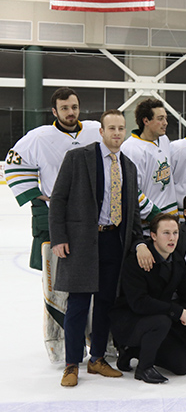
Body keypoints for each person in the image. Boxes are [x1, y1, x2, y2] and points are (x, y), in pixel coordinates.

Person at [49, 109, 152, 387]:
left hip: (114, 242)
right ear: (101, 132)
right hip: (83, 241)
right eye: (112, 128)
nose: (117, 133)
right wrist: (59, 237)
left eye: (121, 128)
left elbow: (132, 213)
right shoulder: (78, 158)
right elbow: (58, 199)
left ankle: (96, 359)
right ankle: (72, 364)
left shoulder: (128, 166)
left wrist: (138, 241)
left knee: (106, 303)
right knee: (78, 304)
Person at [3, 87, 103, 363]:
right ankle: (60, 349)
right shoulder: (38, 137)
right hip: (57, 223)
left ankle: (97, 343)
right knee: (57, 289)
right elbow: (13, 165)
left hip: (92, 223)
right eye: (65, 108)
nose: (71, 112)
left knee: (94, 287)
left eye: (74, 106)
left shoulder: (96, 130)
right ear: (54, 111)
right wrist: (36, 196)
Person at [111, 213, 186, 383]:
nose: (172, 238)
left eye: (175, 233)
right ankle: (137, 358)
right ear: (153, 236)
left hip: (162, 316)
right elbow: (139, 303)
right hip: (132, 321)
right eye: (166, 233)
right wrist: (176, 311)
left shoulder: (176, 259)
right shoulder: (138, 261)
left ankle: (174, 347)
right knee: (181, 366)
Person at [121, 98, 178, 220]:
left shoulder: (164, 140)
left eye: (165, 118)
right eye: (160, 119)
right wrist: (154, 214)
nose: (165, 123)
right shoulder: (131, 149)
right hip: (148, 223)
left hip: (169, 217)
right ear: (146, 120)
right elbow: (131, 190)